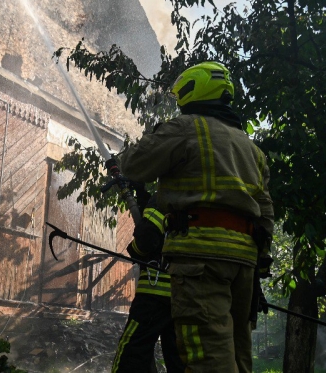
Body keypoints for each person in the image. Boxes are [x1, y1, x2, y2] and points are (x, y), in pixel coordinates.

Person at [117, 62, 274, 373]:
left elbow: (134, 164)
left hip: (201, 261)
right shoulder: (251, 149)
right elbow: (265, 211)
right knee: (237, 355)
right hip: (244, 266)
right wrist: (261, 261)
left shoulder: (186, 128)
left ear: (195, 90)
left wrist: (141, 147)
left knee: (207, 358)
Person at [111, 185, 185, 373]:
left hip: (155, 293)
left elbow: (146, 239)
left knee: (131, 352)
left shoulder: (163, 198)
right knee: (179, 360)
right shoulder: (196, 198)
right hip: (186, 295)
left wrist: (135, 251)